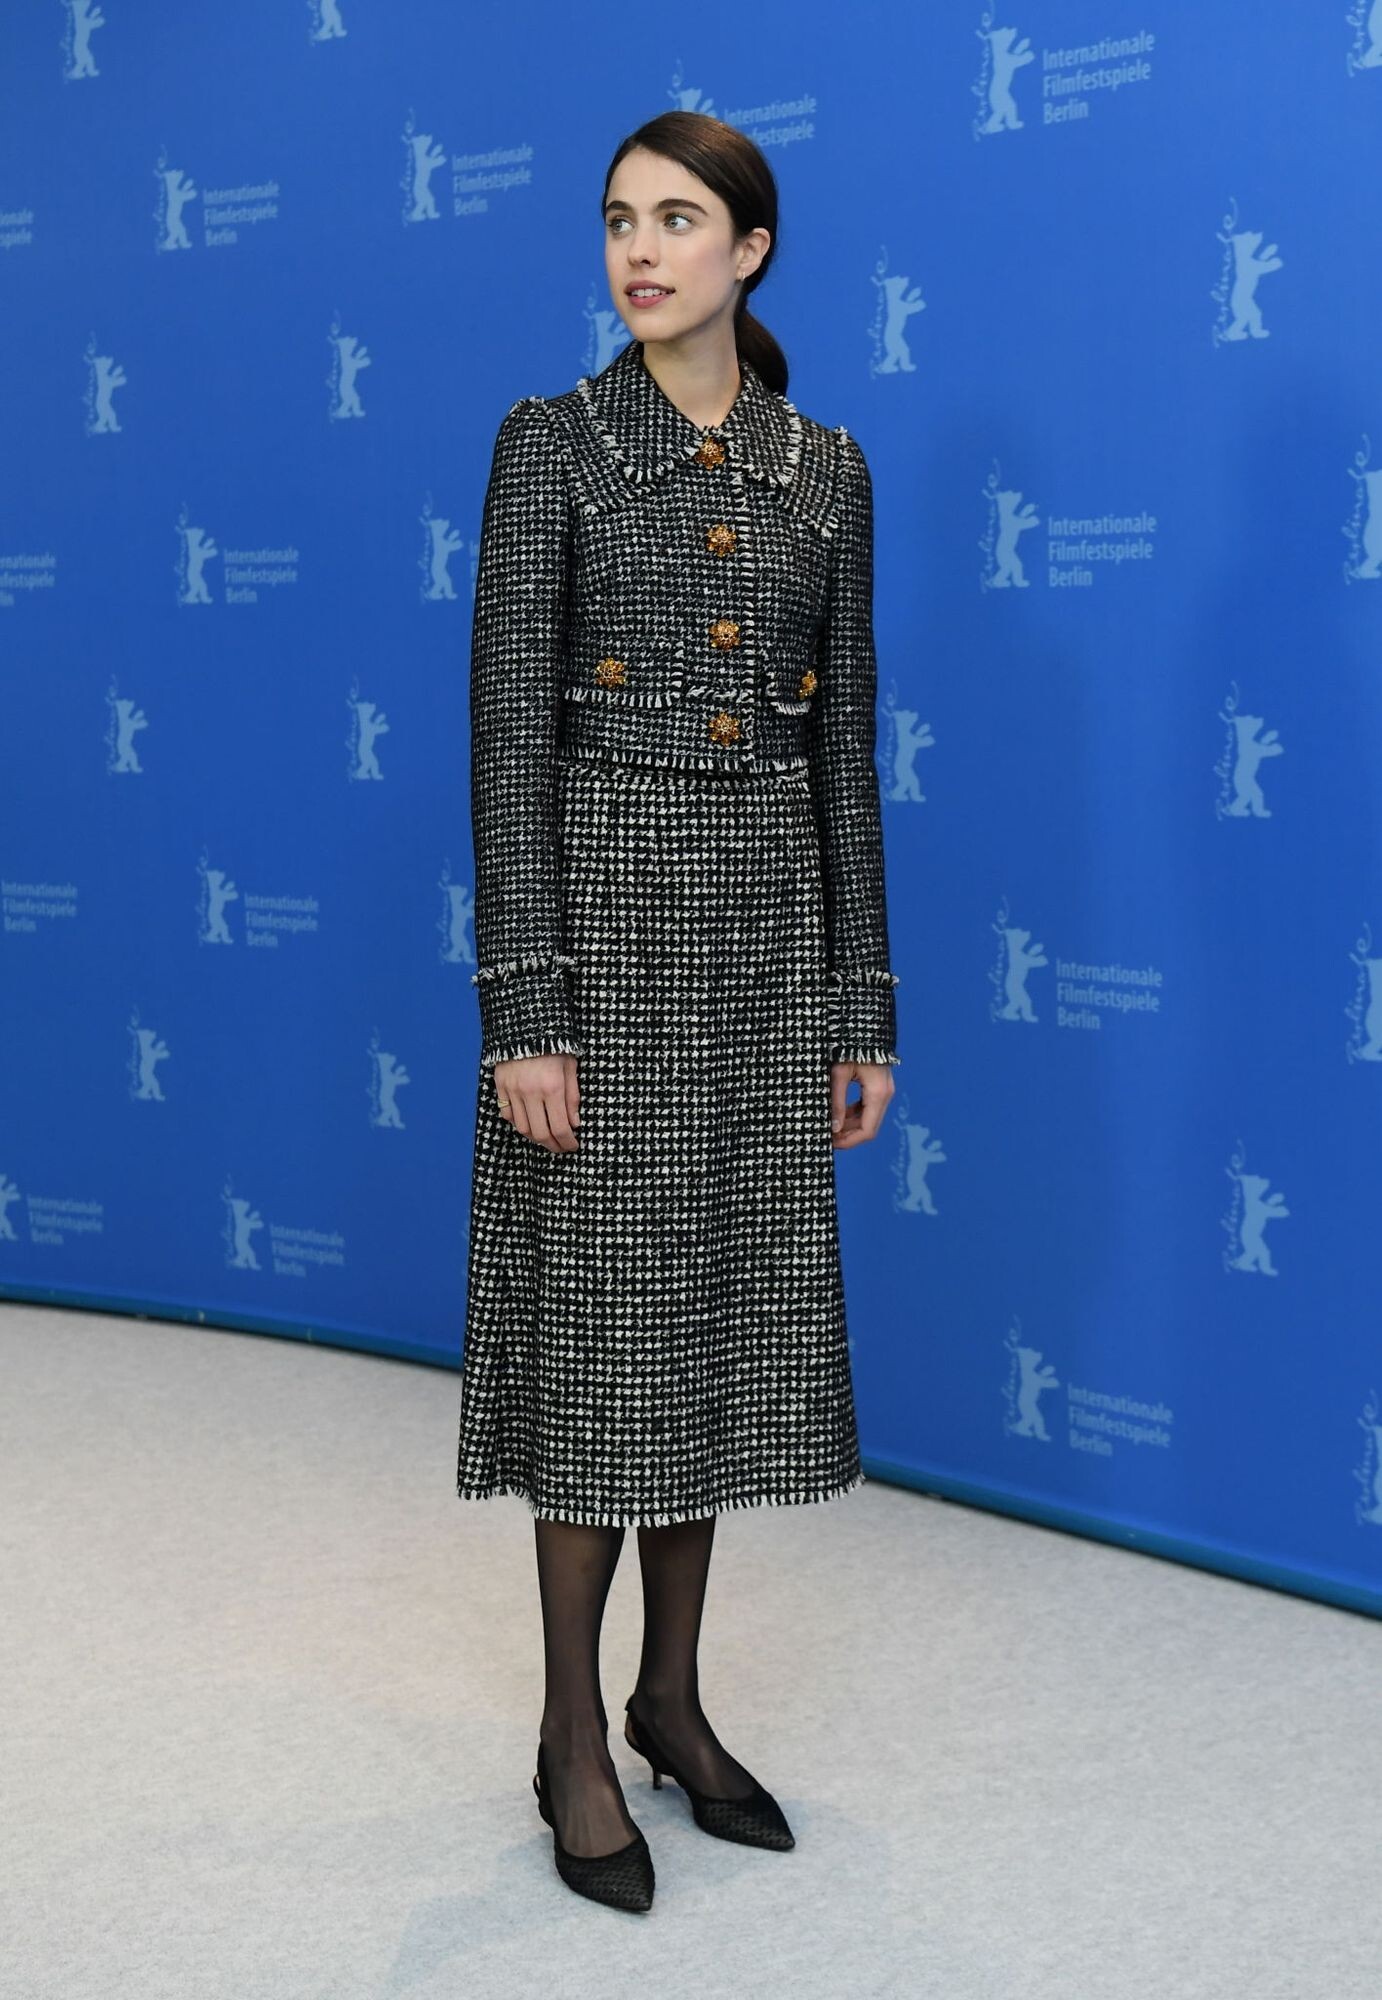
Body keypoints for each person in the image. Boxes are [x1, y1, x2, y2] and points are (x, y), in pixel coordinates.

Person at [457, 109, 901, 1912]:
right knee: (598, 1349)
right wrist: (526, 1013)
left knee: (708, 1334)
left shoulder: (828, 470)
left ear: (750, 250)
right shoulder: (552, 443)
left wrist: (858, 1005)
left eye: (677, 219)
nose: (638, 251)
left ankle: (672, 1700)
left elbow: (843, 756)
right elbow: (507, 743)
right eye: (617, 221)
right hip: (604, 945)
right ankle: (571, 1732)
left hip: (764, 952)